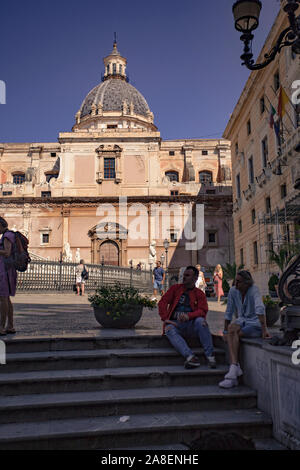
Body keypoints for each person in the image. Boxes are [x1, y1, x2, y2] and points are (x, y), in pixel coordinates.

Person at [219, 270, 271, 389]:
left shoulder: (254, 290)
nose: (235, 284)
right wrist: (225, 331)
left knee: (233, 334)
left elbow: (260, 307)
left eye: (239, 282)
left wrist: (264, 330)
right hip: (241, 322)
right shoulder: (233, 291)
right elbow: (229, 311)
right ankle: (234, 368)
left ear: (247, 283)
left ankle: (233, 370)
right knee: (232, 329)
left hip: (254, 325)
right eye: (235, 281)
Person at [158, 266, 216, 369]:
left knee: (201, 322)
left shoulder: (199, 293)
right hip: (176, 324)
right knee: (169, 329)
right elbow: (162, 302)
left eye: (187, 275)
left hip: (192, 324)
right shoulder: (175, 289)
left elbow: (203, 310)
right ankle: (190, 357)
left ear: (195, 278)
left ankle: (210, 356)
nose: (184, 277)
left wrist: (189, 316)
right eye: (184, 275)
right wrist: (165, 318)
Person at [0, 217, 17, 335]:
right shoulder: (10, 235)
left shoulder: (7, 236)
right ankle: (10, 326)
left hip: (4, 271)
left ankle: (1, 327)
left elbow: (7, 252)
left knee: (3, 298)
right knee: (7, 299)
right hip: (8, 270)